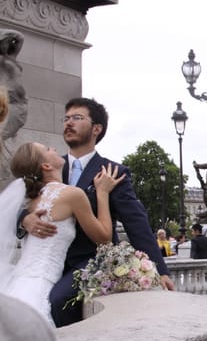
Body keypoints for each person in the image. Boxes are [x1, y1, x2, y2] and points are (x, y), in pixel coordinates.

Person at [21, 97, 174, 327]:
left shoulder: (112, 172)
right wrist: (24, 220)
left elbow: (136, 222)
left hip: (91, 261)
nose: (68, 123)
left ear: (96, 129)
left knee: (58, 302)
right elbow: (26, 200)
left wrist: (160, 270)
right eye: (66, 118)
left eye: (77, 118)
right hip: (51, 262)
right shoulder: (51, 166)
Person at [0, 142, 124, 325]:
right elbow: (104, 238)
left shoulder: (28, 199)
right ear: (46, 165)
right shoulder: (72, 194)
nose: (53, 149)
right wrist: (103, 193)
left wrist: (24, 217)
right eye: (47, 149)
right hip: (42, 286)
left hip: (18, 282)